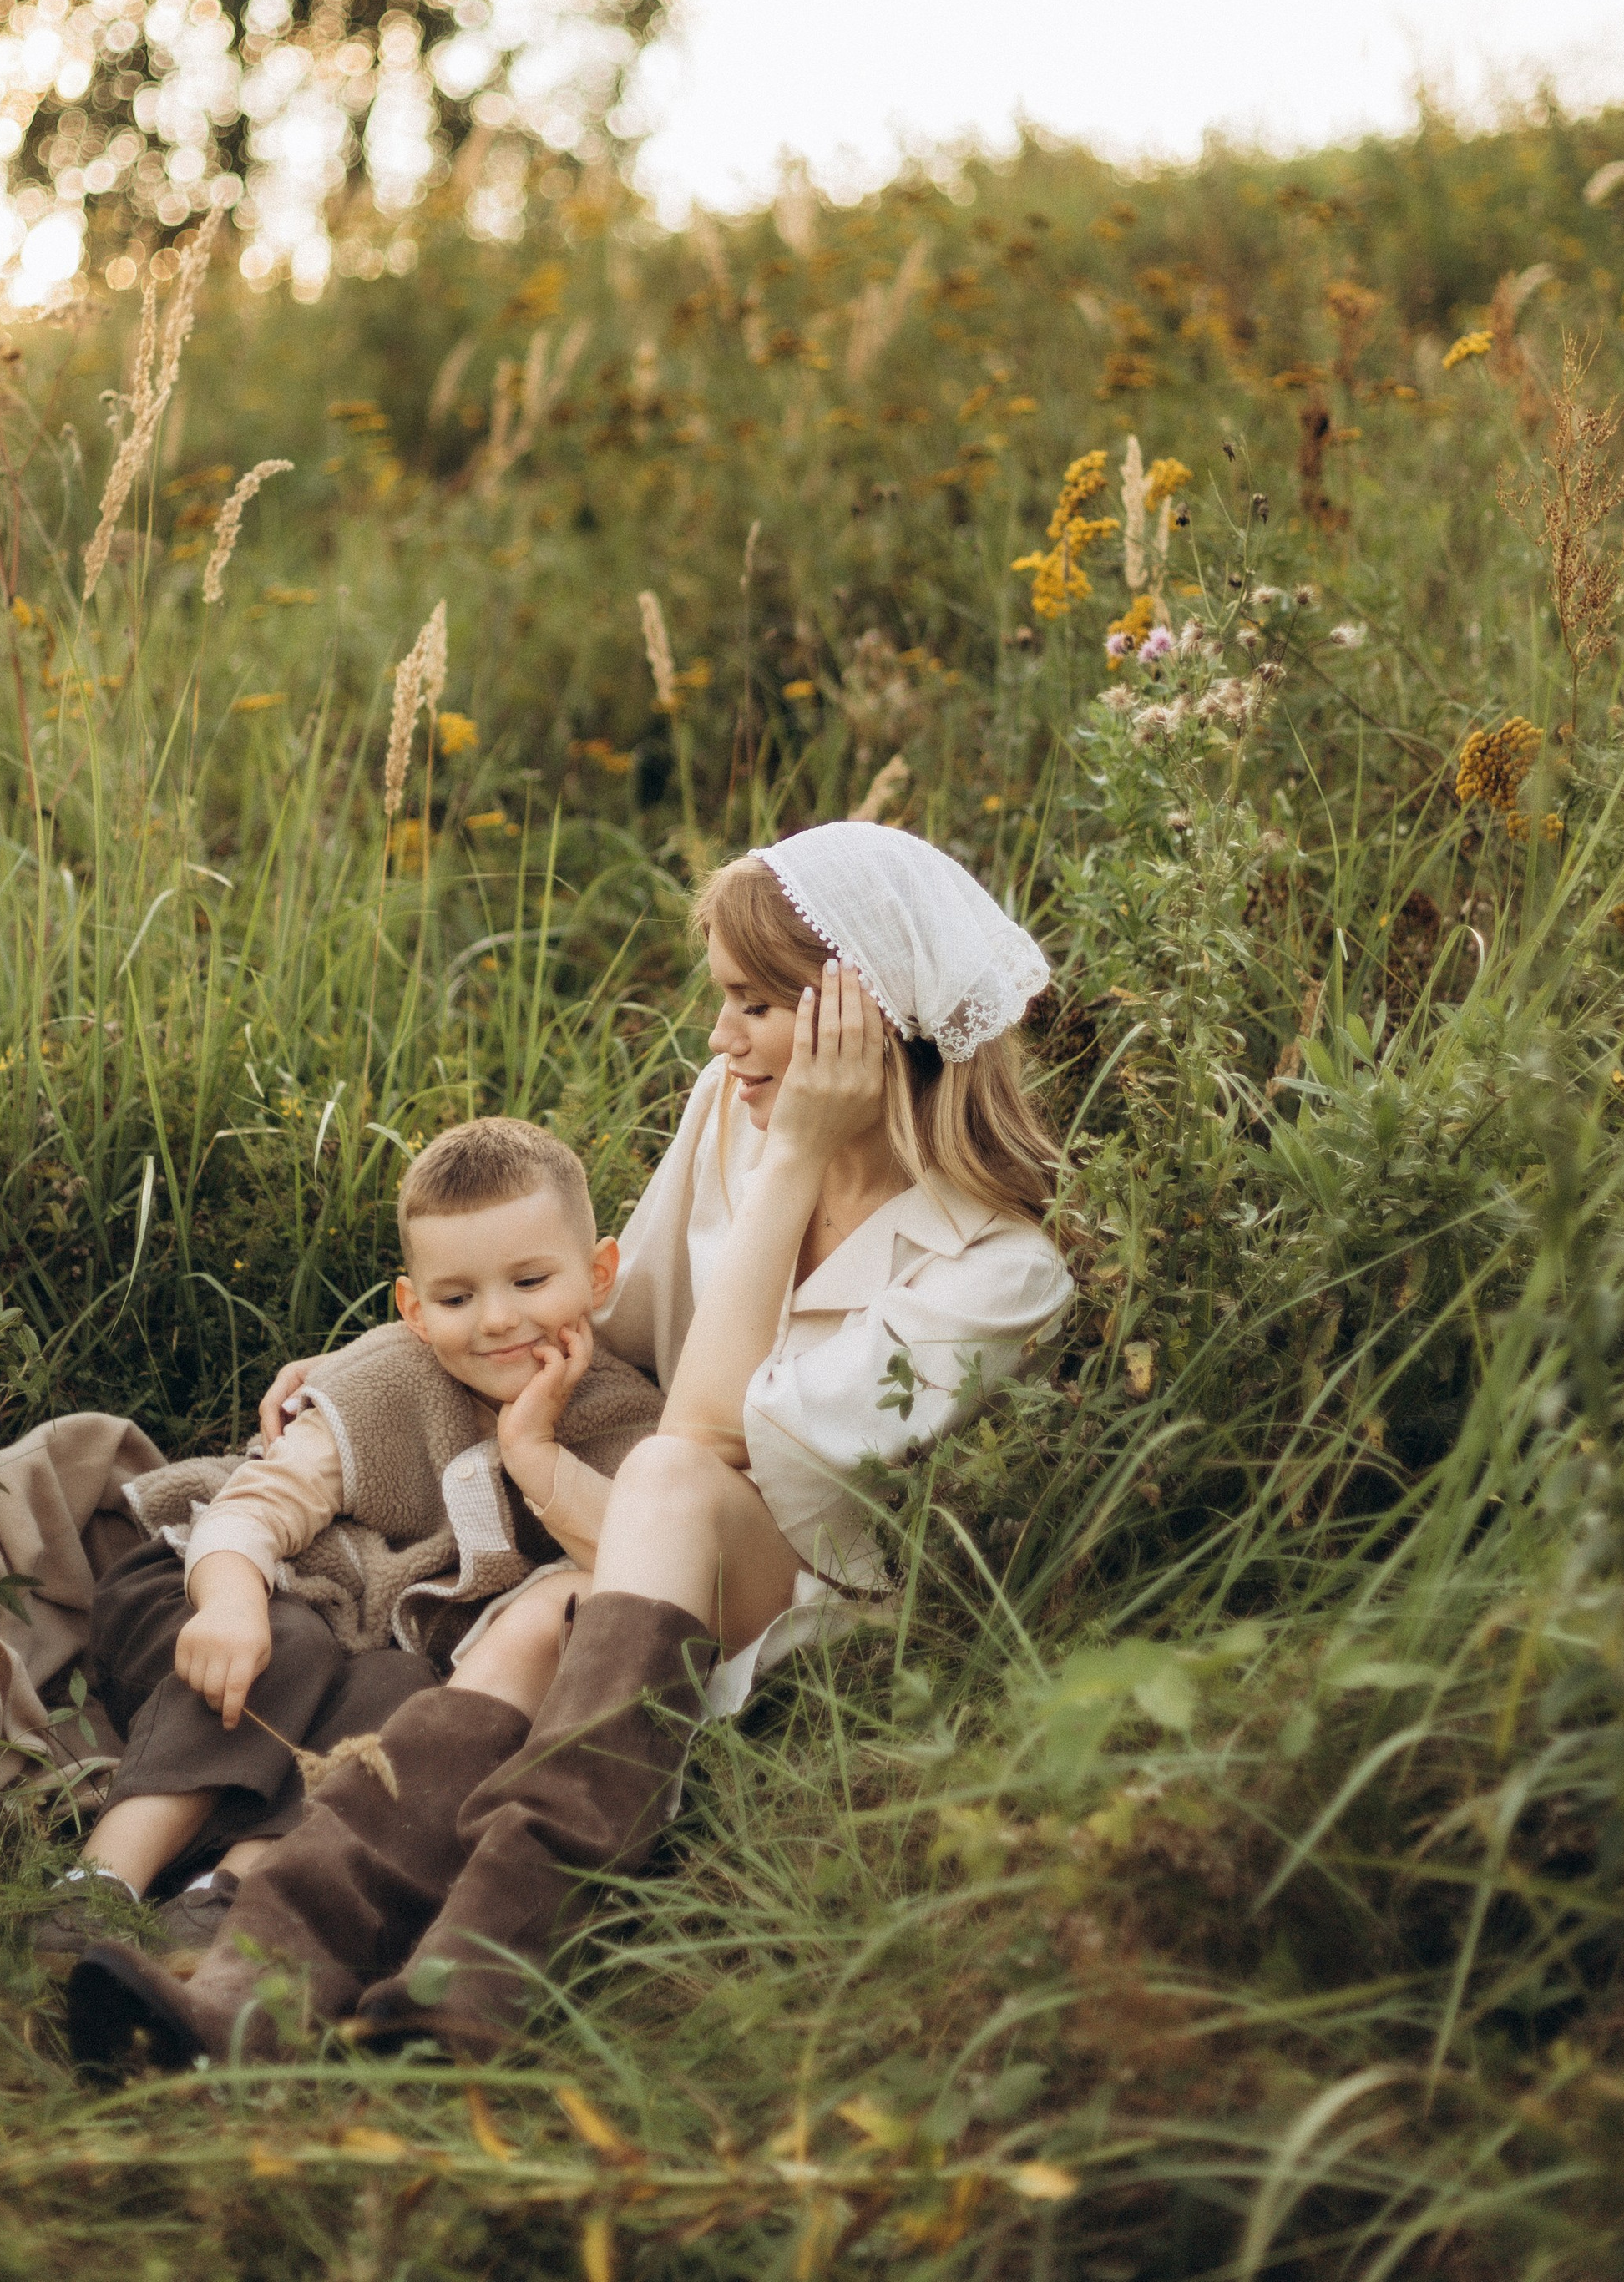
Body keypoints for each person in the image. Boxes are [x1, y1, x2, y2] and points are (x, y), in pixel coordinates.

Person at [68, 823, 1073, 2071]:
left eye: (759, 1007)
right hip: (633, 1563)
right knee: (538, 1620)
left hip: (808, 1593)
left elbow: (704, 1436)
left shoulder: (1001, 1271)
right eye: (724, 1001)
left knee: (663, 1474)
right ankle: (264, 1984)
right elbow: (610, 1333)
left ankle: (488, 1951)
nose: (721, 1040)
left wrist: (801, 1154)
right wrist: (365, 1368)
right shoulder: (731, 1113)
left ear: (864, 1014)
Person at [55, 1117, 660, 1971]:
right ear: (414, 1309)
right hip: (213, 1592)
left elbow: (642, 1555)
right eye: (455, 1298)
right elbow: (251, 1511)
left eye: (530, 1280)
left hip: (361, 1650)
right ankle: (100, 1881)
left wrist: (535, 1456)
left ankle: (225, 1899)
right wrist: (228, 1603)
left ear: (599, 1275)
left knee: (407, 1703)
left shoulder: (621, 1419)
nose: (496, 1321)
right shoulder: (388, 1381)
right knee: (289, 1645)